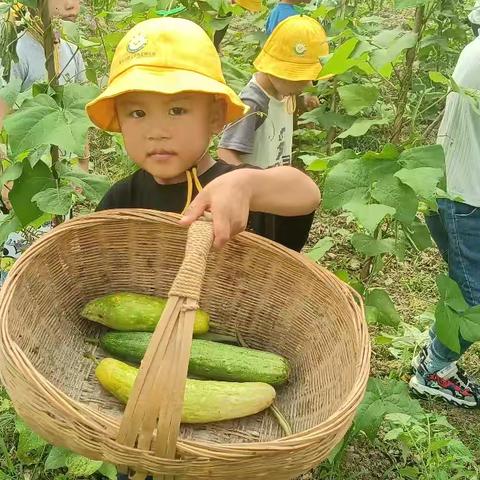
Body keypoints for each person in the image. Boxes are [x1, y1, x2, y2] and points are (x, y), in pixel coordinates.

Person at [86, 17, 320, 280]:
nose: (156, 132)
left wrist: (246, 185)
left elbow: (306, 193)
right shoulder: (122, 200)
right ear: (119, 119)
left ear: (215, 116)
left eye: (177, 110)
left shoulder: (233, 187)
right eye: (138, 113)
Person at [409, 9, 480, 408]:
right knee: (475, 296)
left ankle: (436, 353)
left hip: (454, 186)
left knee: (464, 283)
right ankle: (433, 369)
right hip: (464, 197)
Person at [217, 15, 328, 168]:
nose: (304, 86)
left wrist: (308, 93)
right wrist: (258, 182)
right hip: (258, 188)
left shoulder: (284, 92)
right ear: (277, 69)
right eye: (298, 77)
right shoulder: (253, 103)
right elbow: (226, 154)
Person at [0, 0, 89, 170]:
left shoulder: (73, 51)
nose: (70, 4)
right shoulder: (17, 53)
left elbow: (81, 117)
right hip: (28, 171)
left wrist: (83, 164)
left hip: (67, 170)